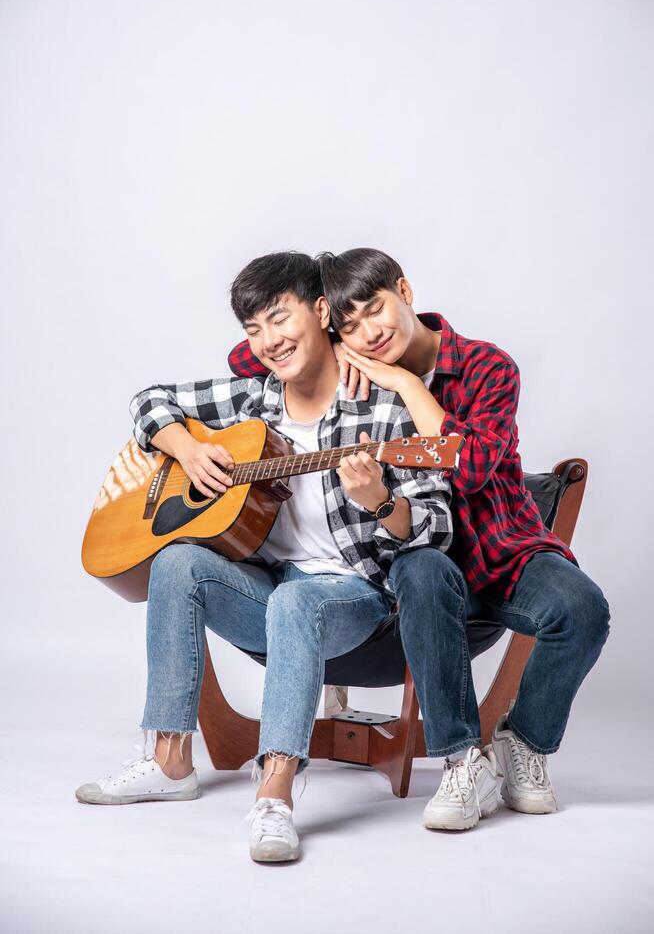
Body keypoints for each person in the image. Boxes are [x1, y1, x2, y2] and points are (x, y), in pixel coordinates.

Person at [75, 251, 454, 861]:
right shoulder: (255, 401)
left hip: (354, 603)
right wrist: (188, 451)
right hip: (269, 595)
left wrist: (382, 500)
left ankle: (274, 793)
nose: (270, 341)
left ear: (321, 311)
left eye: (280, 319)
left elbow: (435, 528)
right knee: (177, 563)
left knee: (302, 597)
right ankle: (169, 762)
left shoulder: (382, 408)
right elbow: (148, 402)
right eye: (254, 330)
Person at [227, 247, 611, 831]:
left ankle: (524, 744)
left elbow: (475, 464)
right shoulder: (345, 359)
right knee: (424, 569)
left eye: (375, 310)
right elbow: (245, 355)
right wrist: (325, 344)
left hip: (500, 550)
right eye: (348, 323)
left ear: (405, 292)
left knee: (583, 609)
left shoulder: (486, 365)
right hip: (421, 556)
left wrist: (404, 383)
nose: (367, 333)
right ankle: (462, 762)